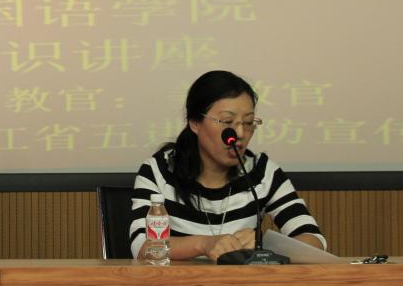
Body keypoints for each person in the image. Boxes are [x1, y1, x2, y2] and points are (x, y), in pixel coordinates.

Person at [130, 70, 326, 262]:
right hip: (179, 282)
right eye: (227, 121)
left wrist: (264, 245)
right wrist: (203, 244)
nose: (240, 133)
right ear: (195, 123)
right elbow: (142, 247)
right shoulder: (159, 171)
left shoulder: (262, 172)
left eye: (248, 122)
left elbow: (314, 241)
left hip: (244, 283)